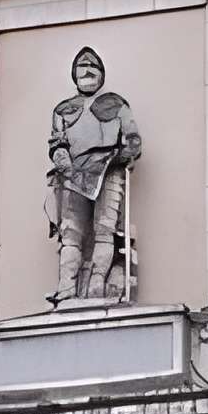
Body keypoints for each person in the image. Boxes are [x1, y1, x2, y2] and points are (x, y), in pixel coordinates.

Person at [47, 45, 142, 303]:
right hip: (73, 173)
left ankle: (98, 282)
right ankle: (66, 287)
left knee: (104, 229)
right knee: (71, 233)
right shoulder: (63, 110)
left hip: (109, 168)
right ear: (74, 74)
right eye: (82, 67)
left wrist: (123, 155)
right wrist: (63, 161)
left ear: (100, 73)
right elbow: (57, 143)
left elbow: (132, 139)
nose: (87, 71)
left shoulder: (117, 104)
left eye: (92, 67)